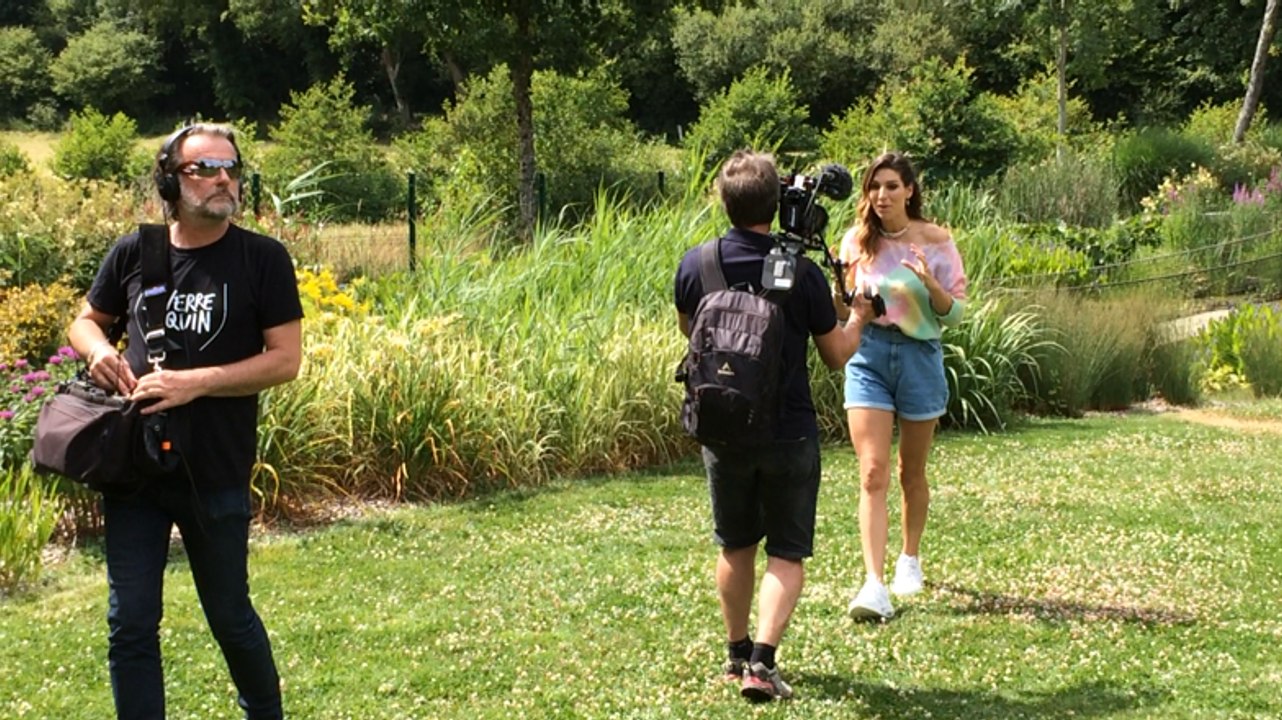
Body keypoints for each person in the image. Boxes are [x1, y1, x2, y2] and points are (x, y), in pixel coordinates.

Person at [67, 123, 304, 719]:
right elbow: (86, 321)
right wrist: (98, 351)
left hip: (215, 469)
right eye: (205, 168)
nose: (224, 178)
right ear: (171, 180)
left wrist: (191, 385)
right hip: (137, 468)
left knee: (229, 614)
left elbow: (285, 361)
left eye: (231, 167)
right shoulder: (136, 252)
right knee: (130, 623)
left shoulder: (262, 259)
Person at [673, 149, 874, 702]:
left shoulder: (696, 264)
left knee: (734, 544)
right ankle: (763, 664)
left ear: (725, 201)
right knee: (786, 551)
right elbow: (836, 354)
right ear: (778, 202)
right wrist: (857, 316)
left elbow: (692, 336)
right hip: (788, 429)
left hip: (723, 426)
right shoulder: (804, 273)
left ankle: (735, 655)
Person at [839, 151, 967, 621]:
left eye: (891, 186)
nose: (882, 195)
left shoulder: (935, 240)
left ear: (909, 190)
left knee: (910, 471)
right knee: (872, 473)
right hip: (869, 354)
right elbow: (840, 311)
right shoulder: (856, 241)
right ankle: (874, 585)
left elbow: (954, 312)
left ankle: (908, 558)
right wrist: (844, 300)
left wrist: (931, 283)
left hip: (919, 356)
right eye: (874, 187)